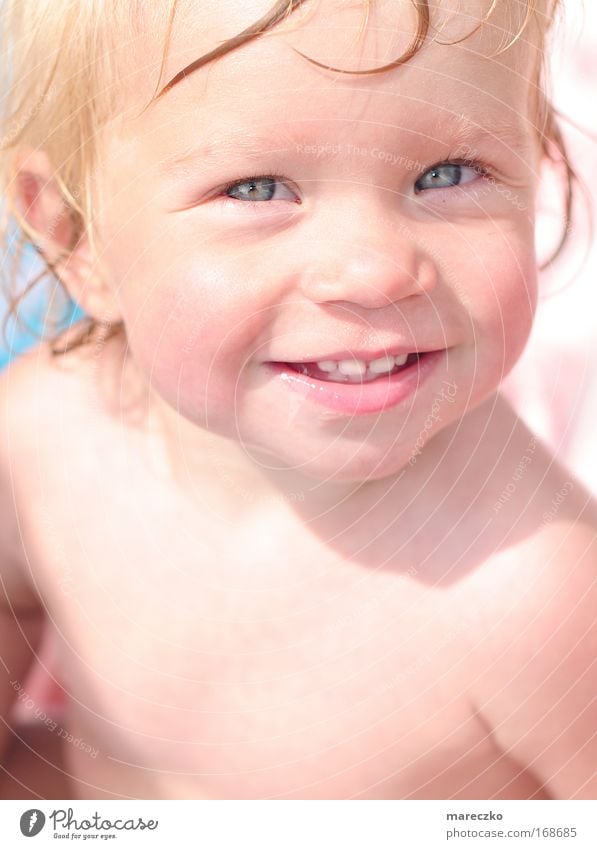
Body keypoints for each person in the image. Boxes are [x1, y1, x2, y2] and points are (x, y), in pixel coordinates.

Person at [0, 0, 595, 801]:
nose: (373, 270)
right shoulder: (41, 443)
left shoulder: (541, 596)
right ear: (75, 234)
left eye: (447, 174)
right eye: (256, 187)